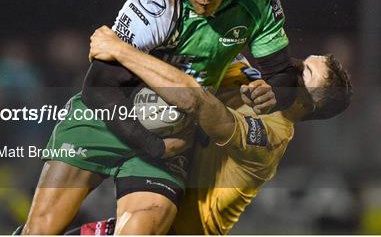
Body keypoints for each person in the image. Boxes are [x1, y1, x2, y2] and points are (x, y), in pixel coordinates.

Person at [21, 0, 298, 234]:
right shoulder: (156, 1)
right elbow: (97, 88)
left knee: (142, 231)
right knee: (40, 231)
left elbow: (282, 76)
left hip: (171, 130)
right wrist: (151, 145)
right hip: (107, 118)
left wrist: (274, 92)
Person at [83, 24, 352, 234]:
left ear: (307, 105)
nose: (293, 63)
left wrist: (120, 50)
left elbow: (200, 105)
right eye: (303, 60)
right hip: (153, 212)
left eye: (305, 72)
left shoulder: (271, 137)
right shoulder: (256, 86)